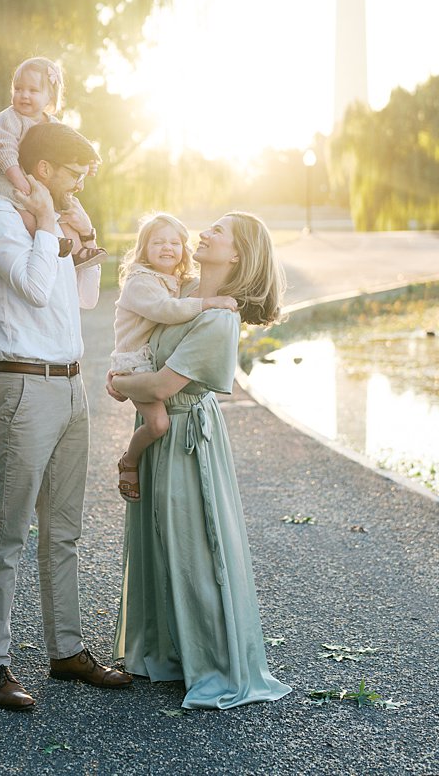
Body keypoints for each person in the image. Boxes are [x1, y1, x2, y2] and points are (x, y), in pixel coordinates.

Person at [0, 121, 131, 711]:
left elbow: (79, 298)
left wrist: (81, 248)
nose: (80, 183)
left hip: (70, 389)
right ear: (43, 171)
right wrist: (45, 228)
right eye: (74, 174)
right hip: (20, 389)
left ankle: (65, 651)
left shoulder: (52, 223)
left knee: (64, 530)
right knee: (10, 532)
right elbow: (36, 289)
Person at [107, 212, 293, 710]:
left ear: (236, 255)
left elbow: (165, 386)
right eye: (208, 226)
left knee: (196, 547)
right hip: (159, 430)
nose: (204, 232)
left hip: (189, 437)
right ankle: (168, 652)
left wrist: (118, 383)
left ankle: (212, 660)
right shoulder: (182, 290)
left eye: (219, 231)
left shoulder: (217, 317)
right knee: (158, 541)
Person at [111, 213, 238, 502]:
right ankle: (129, 460)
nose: (167, 248)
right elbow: (167, 311)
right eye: (158, 242)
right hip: (134, 363)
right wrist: (208, 303)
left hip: (147, 359)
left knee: (158, 423)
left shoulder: (174, 280)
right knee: (158, 425)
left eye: (174, 242)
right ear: (143, 249)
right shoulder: (140, 282)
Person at [0, 56, 107, 269]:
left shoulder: (53, 124)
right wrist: (22, 183)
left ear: (50, 96)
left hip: (33, 177)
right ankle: (48, 239)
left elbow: (70, 150)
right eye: (18, 89)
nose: (24, 95)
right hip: (3, 176)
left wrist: (87, 164)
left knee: (63, 207)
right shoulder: (7, 119)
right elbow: (5, 153)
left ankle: (78, 251)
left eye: (33, 90)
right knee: (23, 205)